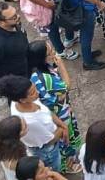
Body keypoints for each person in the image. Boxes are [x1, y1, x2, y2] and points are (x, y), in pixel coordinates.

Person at [27, 41, 83, 174]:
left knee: (63, 141)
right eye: (49, 52)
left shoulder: (35, 72)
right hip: (59, 115)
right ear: (41, 58)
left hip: (53, 113)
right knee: (65, 141)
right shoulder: (46, 79)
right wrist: (62, 65)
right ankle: (67, 166)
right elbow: (66, 86)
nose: (53, 53)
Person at [0, 75, 69, 172]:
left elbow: (46, 111)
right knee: (53, 170)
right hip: (47, 150)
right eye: (32, 92)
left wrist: (62, 125)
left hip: (51, 136)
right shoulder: (31, 121)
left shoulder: (21, 101)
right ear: (22, 100)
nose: (37, 92)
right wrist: (62, 129)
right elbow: (49, 140)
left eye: (35, 88)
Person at [0, 115, 27, 180]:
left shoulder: (3, 146)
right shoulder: (16, 161)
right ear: (17, 135)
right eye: (24, 127)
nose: (26, 125)